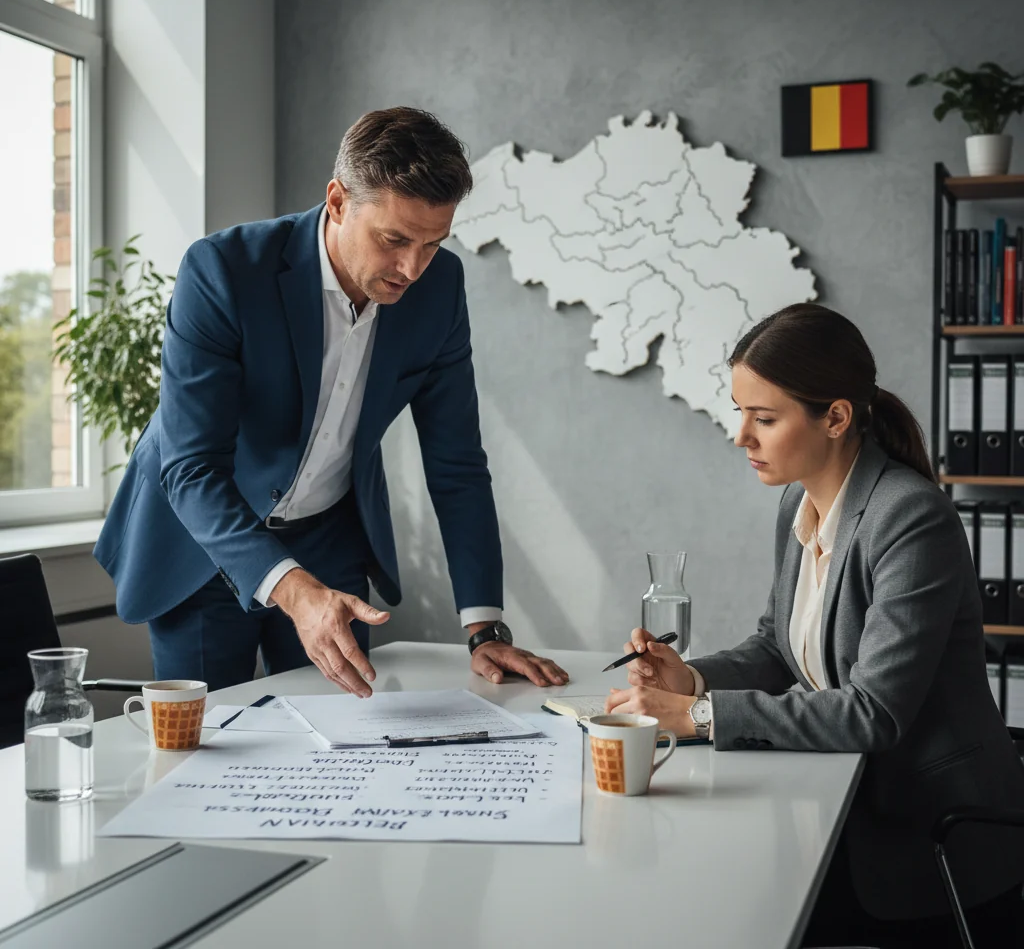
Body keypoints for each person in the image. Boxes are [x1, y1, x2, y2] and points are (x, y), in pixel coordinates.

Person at [95, 107, 568, 695]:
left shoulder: (440, 288)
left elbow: (458, 463)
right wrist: (294, 591)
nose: (412, 269)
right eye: (394, 240)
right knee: (207, 752)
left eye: (431, 244)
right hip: (204, 545)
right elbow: (191, 467)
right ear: (338, 201)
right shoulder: (223, 271)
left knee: (343, 741)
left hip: (329, 540)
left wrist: (483, 627)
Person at [605, 303, 1024, 947]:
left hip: (923, 845)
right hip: (835, 809)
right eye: (740, 411)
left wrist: (703, 715)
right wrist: (689, 677)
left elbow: (873, 713)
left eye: (763, 418)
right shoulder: (799, 503)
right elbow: (778, 646)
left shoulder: (912, 520)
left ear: (835, 417)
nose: (740, 435)